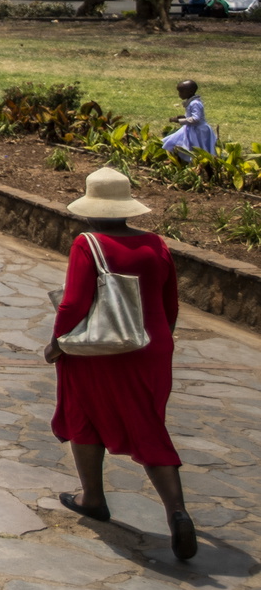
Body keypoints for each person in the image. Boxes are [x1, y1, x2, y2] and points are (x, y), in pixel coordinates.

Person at [46, 167, 194, 560]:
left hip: (104, 350)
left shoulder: (88, 243)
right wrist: (157, 343)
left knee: (83, 413)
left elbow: (74, 303)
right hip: (152, 349)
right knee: (148, 425)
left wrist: (58, 343)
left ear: (91, 205)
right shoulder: (156, 243)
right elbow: (170, 304)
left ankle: (93, 497)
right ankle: (176, 511)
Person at [160, 80, 216, 162]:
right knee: (176, 142)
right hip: (190, 128)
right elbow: (191, 116)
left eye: (181, 92)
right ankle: (178, 159)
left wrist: (180, 120)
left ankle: (196, 162)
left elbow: (196, 119)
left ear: (190, 92)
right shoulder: (191, 102)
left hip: (198, 130)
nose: (179, 94)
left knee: (197, 147)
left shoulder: (195, 103)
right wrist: (183, 117)